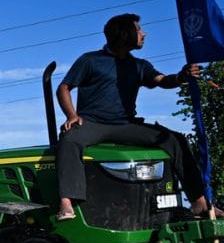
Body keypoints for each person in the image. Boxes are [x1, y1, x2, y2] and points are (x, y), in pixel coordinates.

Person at [55, 13, 219, 221]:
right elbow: (64, 87)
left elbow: (162, 80)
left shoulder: (139, 65)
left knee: (175, 140)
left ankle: (199, 202)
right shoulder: (90, 60)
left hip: (126, 125)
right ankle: (67, 202)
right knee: (69, 139)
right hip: (93, 123)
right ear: (124, 34)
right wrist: (71, 115)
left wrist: (181, 77)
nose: (144, 34)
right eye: (139, 29)